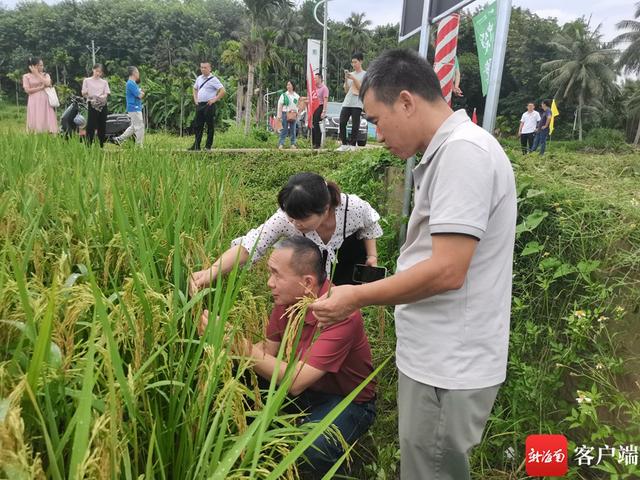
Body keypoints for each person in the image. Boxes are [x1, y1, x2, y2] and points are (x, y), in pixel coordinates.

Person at [310, 49, 517, 480]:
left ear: (406, 101)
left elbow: (447, 270)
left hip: (448, 363)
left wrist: (356, 297)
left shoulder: (464, 154)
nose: (377, 135)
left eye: (375, 121)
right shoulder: (449, 153)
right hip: (436, 358)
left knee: (431, 470)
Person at [197, 236, 376, 476]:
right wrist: (223, 350)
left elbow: (295, 382)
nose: (269, 283)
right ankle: (249, 443)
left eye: (276, 274)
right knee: (234, 377)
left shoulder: (341, 313)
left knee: (311, 449)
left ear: (307, 282)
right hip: (304, 387)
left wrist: (238, 344)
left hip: (346, 399)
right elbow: (268, 353)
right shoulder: (287, 300)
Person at [189, 172, 382, 294]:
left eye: (303, 219)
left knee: (347, 304)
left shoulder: (353, 207)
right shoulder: (285, 218)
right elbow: (250, 245)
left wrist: (372, 255)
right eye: (291, 218)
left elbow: (369, 224)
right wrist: (211, 272)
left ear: (325, 209)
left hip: (347, 259)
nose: (295, 224)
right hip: (314, 267)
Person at [189, 61, 225, 151]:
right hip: (200, 105)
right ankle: (196, 146)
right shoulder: (199, 78)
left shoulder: (213, 79)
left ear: (210, 68)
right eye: (201, 67)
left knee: (210, 126)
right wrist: (195, 99)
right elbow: (194, 88)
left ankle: (208, 146)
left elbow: (223, 91)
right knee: (198, 126)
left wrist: (214, 99)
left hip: (209, 105)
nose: (203, 69)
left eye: (205, 67)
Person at [336, 52, 366, 152]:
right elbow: (346, 90)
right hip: (347, 101)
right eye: (352, 62)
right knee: (342, 122)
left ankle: (353, 145)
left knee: (355, 124)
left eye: (355, 62)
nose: (353, 64)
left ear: (361, 61)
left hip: (357, 103)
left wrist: (353, 78)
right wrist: (346, 79)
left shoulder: (365, 74)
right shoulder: (351, 74)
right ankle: (344, 144)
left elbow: (361, 88)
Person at [22, 57, 58, 134]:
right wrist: (41, 87)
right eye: (40, 65)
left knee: (46, 117)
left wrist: (37, 74)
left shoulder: (45, 75)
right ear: (34, 66)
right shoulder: (26, 76)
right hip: (33, 101)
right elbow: (27, 90)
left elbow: (48, 83)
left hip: (45, 100)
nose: (42, 67)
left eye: (42, 65)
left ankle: (49, 133)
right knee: (35, 117)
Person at [112, 66, 145, 146]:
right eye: (138, 72)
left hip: (134, 108)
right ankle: (139, 146)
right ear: (134, 73)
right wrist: (143, 93)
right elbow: (139, 95)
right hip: (135, 108)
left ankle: (119, 139)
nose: (138, 74)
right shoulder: (131, 83)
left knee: (134, 127)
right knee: (139, 127)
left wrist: (140, 92)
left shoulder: (132, 83)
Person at [81, 64, 110, 147]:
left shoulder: (104, 82)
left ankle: (101, 144)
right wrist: (91, 96)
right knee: (91, 125)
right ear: (93, 70)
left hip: (102, 104)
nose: (98, 73)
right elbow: (83, 93)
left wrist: (102, 97)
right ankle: (88, 144)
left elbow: (106, 93)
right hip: (92, 104)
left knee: (102, 124)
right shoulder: (87, 80)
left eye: (100, 72)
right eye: (96, 71)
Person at [277, 81, 300, 149]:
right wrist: (279, 115)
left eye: (289, 85)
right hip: (285, 113)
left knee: (293, 129)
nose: (288, 86)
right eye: (287, 85)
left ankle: (293, 144)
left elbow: (299, 106)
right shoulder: (284, 95)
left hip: (293, 114)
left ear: (293, 86)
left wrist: (297, 114)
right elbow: (280, 105)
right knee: (284, 129)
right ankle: (281, 143)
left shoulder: (296, 96)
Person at [312, 72, 330, 149]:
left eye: (315, 78)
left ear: (320, 79)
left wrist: (324, 111)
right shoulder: (314, 88)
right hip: (314, 107)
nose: (314, 80)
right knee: (313, 124)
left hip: (320, 106)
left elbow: (325, 100)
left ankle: (317, 144)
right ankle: (313, 143)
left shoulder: (324, 88)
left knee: (316, 124)